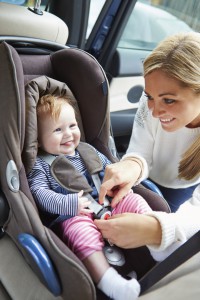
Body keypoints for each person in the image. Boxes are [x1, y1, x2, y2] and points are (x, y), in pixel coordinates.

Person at [27, 93, 154, 300]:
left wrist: (118, 186)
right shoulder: (41, 165)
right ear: (39, 141)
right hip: (76, 213)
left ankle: (157, 243)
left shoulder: (88, 150)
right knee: (79, 232)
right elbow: (39, 194)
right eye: (58, 130)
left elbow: (111, 169)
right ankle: (109, 281)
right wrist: (69, 204)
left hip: (109, 202)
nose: (68, 134)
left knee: (136, 200)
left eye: (72, 126)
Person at [94, 32, 200, 258]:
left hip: (186, 193)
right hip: (147, 180)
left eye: (169, 100)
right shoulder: (152, 102)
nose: (154, 110)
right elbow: (140, 150)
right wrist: (131, 165)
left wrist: (156, 229)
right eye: (149, 96)